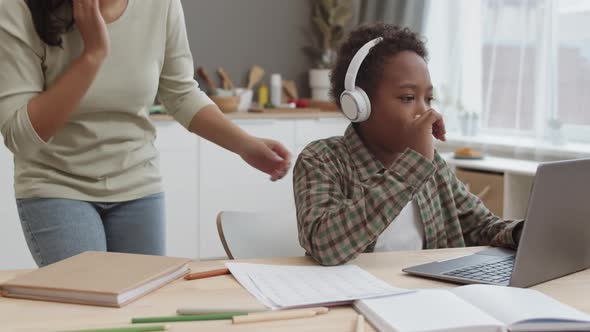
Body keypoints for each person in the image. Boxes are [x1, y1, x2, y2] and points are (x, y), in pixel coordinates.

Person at [0, 0, 291, 267]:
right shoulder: (18, 7)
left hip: (138, 186)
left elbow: (181, 94)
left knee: (141, 309)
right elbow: (20, 135)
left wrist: (245, 145)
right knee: (88, 314)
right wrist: (93, 55)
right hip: (56, 185)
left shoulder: (160, 5)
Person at [293, 23, 523, 266]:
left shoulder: (432, 165)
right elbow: (325, 246)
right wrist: (411, 169)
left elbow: (480, 227)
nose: (425, 111)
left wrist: (523, 232)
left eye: (428, 99)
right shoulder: (321, 159)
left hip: (424, 296)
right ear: (359, 105)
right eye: (408, 98)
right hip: (352, 299)